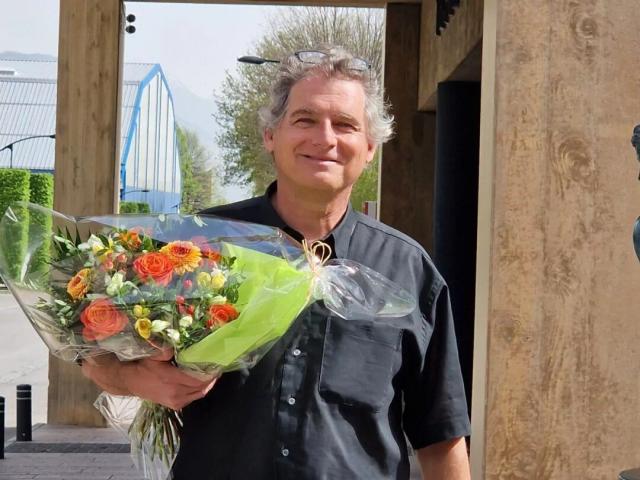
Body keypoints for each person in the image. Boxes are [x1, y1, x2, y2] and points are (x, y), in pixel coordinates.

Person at [83, 46, 471, 479]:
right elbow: (94, 357)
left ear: (369, 148)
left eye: (345, 124)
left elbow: (440, 433)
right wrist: (139, 380)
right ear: (271, 135)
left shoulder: (408, 271)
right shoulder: (197, 245)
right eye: (305, 120)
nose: (324, 139)